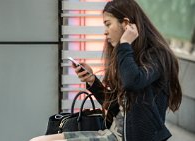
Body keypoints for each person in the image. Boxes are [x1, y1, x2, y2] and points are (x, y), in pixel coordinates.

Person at [30, 0, 182, 141]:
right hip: (110, 133)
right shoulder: (128, 56)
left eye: (108, 24)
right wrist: (92, 81)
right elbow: (115, 106)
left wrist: (124, 45)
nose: (105, 31)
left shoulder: (156, 55)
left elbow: (133, 82)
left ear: (126, 23)